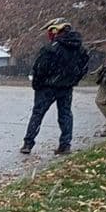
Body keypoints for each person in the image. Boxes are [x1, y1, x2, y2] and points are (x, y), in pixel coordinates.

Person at [20, 18, 90, 156]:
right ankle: (65, 144)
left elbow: (40, 68)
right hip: (66, 87)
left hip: (47, 87)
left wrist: (37, 84)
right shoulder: (80, 49)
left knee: (38, 114)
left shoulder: (50, 48)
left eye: (51, 30)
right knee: (65, 114)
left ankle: (28, 143)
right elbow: (83, 68)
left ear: (56, 30)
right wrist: (72, 80)